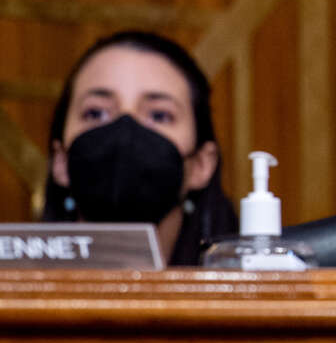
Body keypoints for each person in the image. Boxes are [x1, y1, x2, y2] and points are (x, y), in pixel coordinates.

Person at [42, 30, 237, 266]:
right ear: (61, 160)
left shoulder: (253, 298)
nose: (125, 132)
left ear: (201, 164)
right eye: (96, 113)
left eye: (159, 115)